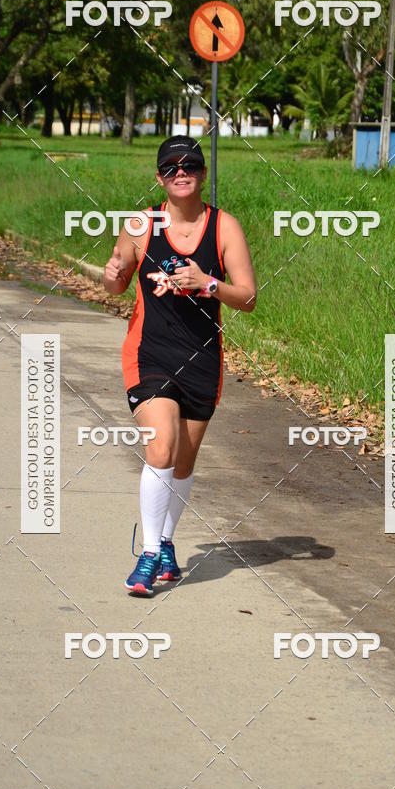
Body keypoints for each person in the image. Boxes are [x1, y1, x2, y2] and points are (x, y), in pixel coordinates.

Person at [103, 135, 257, 596]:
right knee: (161, 446)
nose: (180, 172)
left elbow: (248, 297)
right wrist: (111, 274)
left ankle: (167, 542)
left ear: (203, 174)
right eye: (170, 167)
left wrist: (208, 283)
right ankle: (149, 554)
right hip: (149, 353)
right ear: (159, 178)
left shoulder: (224, 227)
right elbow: (115, 280)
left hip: (202, 359)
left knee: (183, 464)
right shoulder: (140, 223)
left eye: (190, 165)